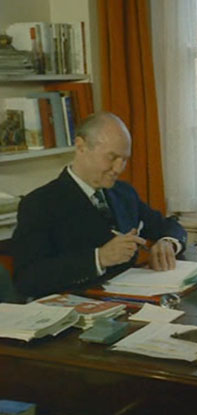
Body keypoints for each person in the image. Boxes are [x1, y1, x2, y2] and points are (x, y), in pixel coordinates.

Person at [12, 111, 187, 299]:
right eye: (112, 157)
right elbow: (27, 280)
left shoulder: (124, 193)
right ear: (81, 147)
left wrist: (167, 242)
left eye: (124, 159)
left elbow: (167, 225)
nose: (119, 169)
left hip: (131, 302)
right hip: (76, 310)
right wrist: (99, 258)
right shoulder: (39, 204)